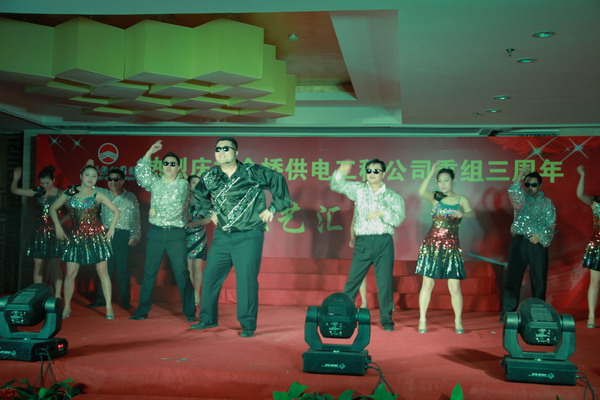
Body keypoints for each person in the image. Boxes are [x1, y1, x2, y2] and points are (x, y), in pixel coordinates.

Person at [190, 137, 292, 337]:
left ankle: (247, 325)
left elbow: (278, 180)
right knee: (210, 276)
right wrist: (210, 212)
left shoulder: (252, 172)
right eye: (218, 149)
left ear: (236, 152)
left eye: (226, 149)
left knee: (246, 281)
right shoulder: (210, 176)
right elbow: (199, 196)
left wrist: (273, 208)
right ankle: (207, 319)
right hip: (222, 236)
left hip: (249, 235)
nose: (221, 152)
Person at [330, 159, 405, 331]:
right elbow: (337, 184)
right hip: (363, 242)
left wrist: (381, 212)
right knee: (352, 281)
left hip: (383, 241)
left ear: (383, 174)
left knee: (385, 283)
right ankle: (344, 316)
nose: (371, 174)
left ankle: (386, 320)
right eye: (369, 171)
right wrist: (341, 171)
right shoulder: (359, 189)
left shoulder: (392, 196)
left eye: (376, 171)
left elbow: (398, 218)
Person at [129, 140, 196, 322]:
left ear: (178, 168)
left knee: (182, 274)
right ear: (161, 166)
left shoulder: (183, 185)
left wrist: (157, 211)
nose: (168, 166)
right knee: (149, 272)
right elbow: (141, 175)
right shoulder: (155, 183)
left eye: (172, 164)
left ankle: (190, 313)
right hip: (156, 234)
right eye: (165, 163)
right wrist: (149, 153)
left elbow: (176, 207)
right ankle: (142, 311)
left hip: (176, 235)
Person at [49, 165, 120, 319]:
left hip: (96, 237)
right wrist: (58, 227)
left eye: (94, 176)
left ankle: (108, 307)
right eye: (87, 175)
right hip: (76, 237)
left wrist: (112, 228)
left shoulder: (97, 194)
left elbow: (116, 210)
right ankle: (67, 307)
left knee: (102, 272)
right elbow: (52, 208)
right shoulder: (71, 192)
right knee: (70, 273)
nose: (90, 178)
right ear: (81, 176)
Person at [415, 163, 474, 334]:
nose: (442, 184)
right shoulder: (436, 197)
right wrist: (431, 172)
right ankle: (422, 320)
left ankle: (458, 321)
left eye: (446, 180)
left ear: (453, 181)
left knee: (454, 287)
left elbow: (471, 213)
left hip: (452, 246)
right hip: (432, 245)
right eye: (439, 181)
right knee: (427, 284)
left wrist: (463, 213)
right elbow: (421, 192)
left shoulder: (461, 199)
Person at [501, 167, 556, 322]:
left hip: (537, 243)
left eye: (534, 184)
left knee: (539, 279)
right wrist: (519, 175)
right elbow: (513, 192)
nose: (530, 188)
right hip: (519, 241)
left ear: (540, 185)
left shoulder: (547, 203)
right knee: (513, 278)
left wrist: (540, 236)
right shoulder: (521, 200)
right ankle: (508, 314)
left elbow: (550, 224)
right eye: (527, 184)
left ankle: (539, 313)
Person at [88, 167, 141, 311]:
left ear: (122, 181)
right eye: (110, 179)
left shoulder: (130, 197)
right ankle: (101, 299)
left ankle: (125, 301)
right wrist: (89, 166)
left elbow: (136, 217)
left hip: (123, 235)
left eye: (116, 179)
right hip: (105, 235)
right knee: (105, 269)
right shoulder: (103, 193)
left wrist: (135, 235)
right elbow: (88, 186)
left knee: (123, 270)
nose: (112, 182)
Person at [11, 165, 64, 297]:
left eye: (47, 183)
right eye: (41, 183)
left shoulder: (60, 193)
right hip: (39, 232)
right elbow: (15, 190)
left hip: (54, 232)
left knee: (55, 265)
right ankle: (38, 295)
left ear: (53, 180)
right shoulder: (38, 191)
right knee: (38, 265)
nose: (44, 185)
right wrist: (15, 179)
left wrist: (61, 222)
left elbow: (72, 211)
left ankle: (57, 296)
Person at [576, 165, 600, 328]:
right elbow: (579, 195)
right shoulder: (595, 203)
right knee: (595, 282)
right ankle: (591, 316)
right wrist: (582, 175)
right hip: (597, 246)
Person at [185, 175, 210, 306]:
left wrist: (193, 224)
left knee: (197, 267)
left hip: (199, 236)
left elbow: (208, 220)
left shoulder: (204, 201)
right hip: (184, 236)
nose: (196, 185)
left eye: (198, 183)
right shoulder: (183, 200)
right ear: (189, 185)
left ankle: (196, 294)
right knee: (187, 268)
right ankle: (189, 294)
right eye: (193, 182)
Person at [349, 219, 368, 308]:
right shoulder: (359, 209)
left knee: (383, 273)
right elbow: (353, 223)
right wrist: (353, 238)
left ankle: (388, 302)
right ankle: (364, 301)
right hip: (362, 241)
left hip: (379, 240)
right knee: (361, 272)